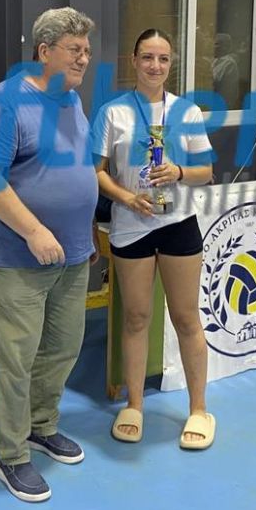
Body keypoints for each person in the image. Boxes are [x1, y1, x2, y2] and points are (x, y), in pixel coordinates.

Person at [0, 7, 99, 503]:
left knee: (63, 347)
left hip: (74, 255)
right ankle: (11, 454)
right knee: (15, 359)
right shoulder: (8, 101)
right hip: (22, 257)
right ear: (44, 51)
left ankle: (41, 426)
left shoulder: (72, 100)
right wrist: (34, 231)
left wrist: (84, 232)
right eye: (74, 50)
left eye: (87, 51)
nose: (84, 59)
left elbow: (75, 173)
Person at [93, 29, 215, 450]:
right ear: (133, 60)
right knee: (136, 318)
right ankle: (134, 404)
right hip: (131, 226)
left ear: (171, 63)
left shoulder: (188, 111)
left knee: (186, 318)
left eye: (163, 58)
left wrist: (178, 172)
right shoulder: (112, 113)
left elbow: (205, 171)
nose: (155, 66)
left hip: (178, 222)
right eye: (147, 57)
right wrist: (127, 197)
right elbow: (96, 171)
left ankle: (199, 409)